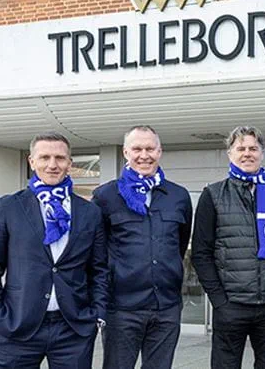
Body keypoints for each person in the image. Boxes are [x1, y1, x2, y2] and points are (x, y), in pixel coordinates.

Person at [0, 132, 108, 369]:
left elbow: (99, 269)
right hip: (17, 327)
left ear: (70, 163)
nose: (52, 165)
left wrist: (97, 314)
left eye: (60, 158)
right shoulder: (9, 207)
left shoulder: (90, 212)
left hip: (73, 328)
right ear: (32, 161)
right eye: (45, 157)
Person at [191, 125, 265, 369]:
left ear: (262, 153)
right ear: (230, 153)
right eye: (240, 148)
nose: (247, 153)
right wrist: (219, 300)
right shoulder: (213, 195)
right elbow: (201, 253)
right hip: (231, 304)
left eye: (253, 148)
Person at [92, 125, 193, 369]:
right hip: (122, 308)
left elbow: (179, 244)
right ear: (126, 152)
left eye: (150, 148)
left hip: (166, 306)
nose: (144, 155)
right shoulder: (106, 196)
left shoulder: (178, 196)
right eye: (137, 149)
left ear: (160, 151)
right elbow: (96, 253)